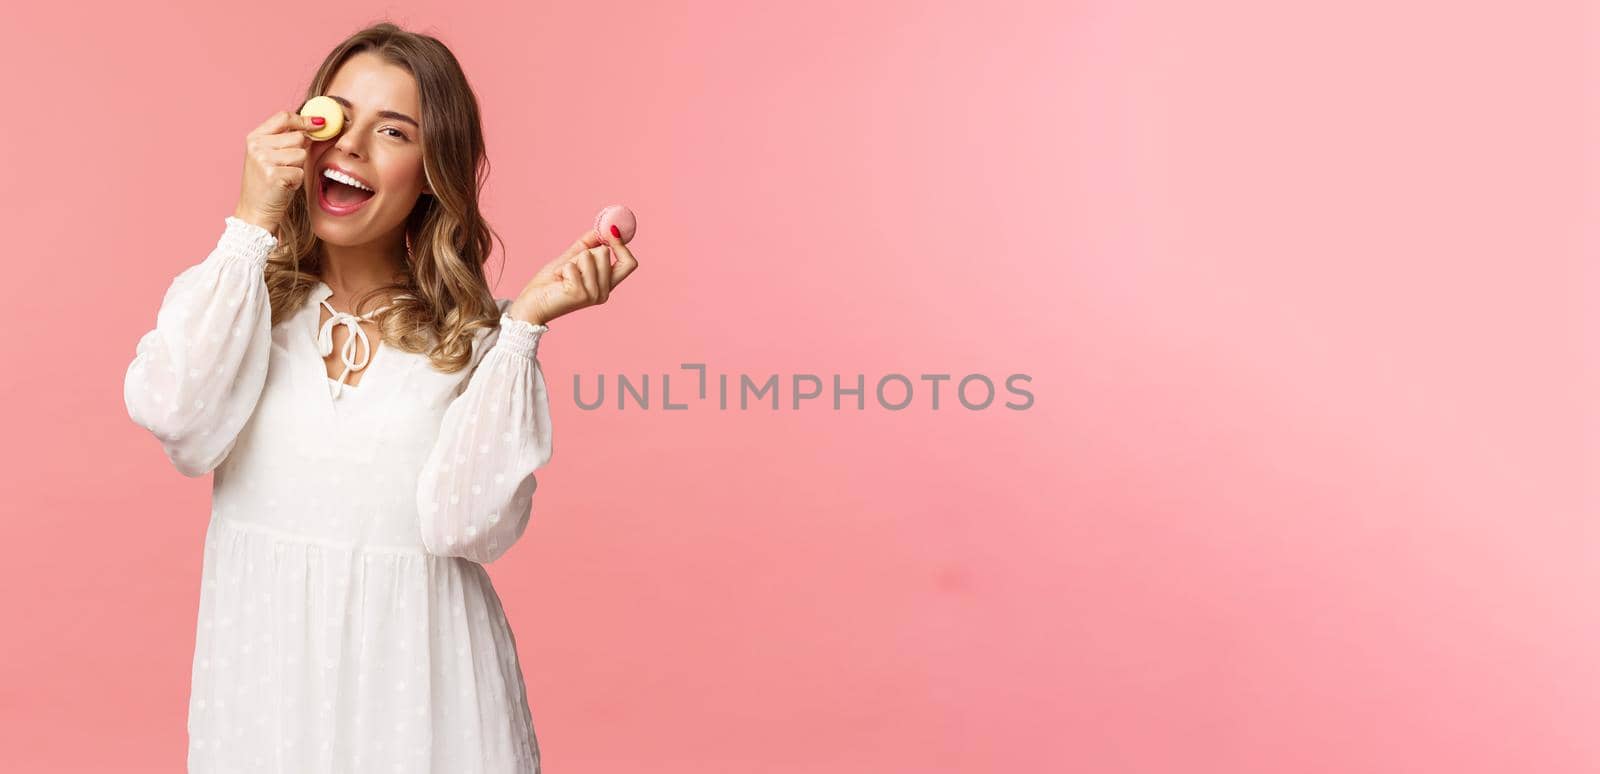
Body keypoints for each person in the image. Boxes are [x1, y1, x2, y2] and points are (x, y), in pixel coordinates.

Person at [122, 22, 638, 773]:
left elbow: (468, 526)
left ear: (433, 171)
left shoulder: (475, 338)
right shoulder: (237, 303)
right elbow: (179, 422)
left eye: (392, 130)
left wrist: (523, 326)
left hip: (431, 714)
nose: (352, 146)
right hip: (266, 706)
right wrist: (252, 221)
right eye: (337, 115)